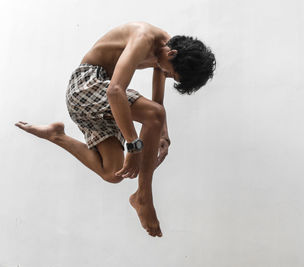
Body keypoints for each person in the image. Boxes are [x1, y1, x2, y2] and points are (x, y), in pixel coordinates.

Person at [15, 21, 216, 237]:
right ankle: (143, 197)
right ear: (172, 53)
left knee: (113, 173)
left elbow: (157, 106)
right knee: (152, 116)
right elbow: (115, 91)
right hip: (85, 87)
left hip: (100, 103)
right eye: (171, 74)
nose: (166, 75)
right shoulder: (143, 37)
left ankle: (57, 135)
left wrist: (163, 135)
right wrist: (134, 146)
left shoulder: (164, 54)